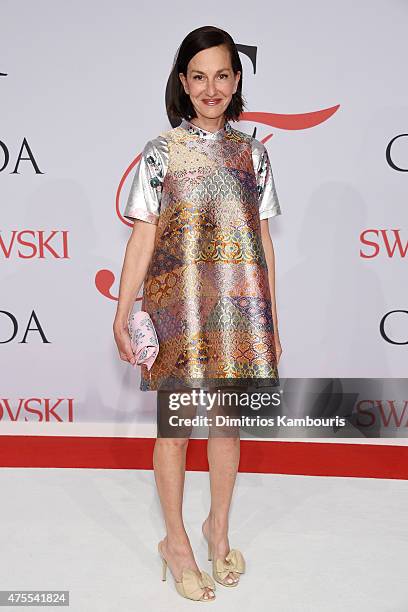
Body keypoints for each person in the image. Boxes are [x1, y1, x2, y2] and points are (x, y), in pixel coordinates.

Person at [113, 25, 283, 602]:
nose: (211, 87)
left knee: (226, 426)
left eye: (223, 75)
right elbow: (143, 236)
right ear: (183, 84)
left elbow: (262, 239)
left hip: (238, 312)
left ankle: (218, 530)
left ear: (236, 82)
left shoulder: (253, 154)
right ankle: (176, 542)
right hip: (174, 309)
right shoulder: (160, 153)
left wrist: (271, 321)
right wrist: (121, 312)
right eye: (199, 76)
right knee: (176, 430)